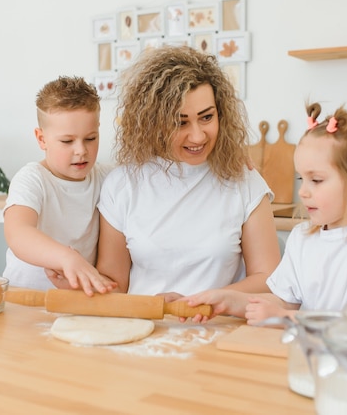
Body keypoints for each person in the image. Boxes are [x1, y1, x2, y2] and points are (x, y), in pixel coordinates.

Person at [184, 104, 347, 327]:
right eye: (302, 179)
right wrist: (229, 301)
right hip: (308, 356)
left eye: (317, 180)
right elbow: (283, 302)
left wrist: (285, 318)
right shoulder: (303, 237)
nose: (302, 191)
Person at [96, 46, 281, 298]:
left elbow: (268, 278)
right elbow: (114, 283)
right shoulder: (123, 184)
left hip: (220, 328)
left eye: (206, 117)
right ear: (153, 123)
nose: (197, 136)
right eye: (180, 123)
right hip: (145, 328)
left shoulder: (243, 180)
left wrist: (200, 302)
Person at [3, 76, 117, 296]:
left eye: (91, 138)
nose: (81, 150)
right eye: (67, 141)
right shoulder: (32, 179)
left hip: (75, 301)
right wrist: (67, 257)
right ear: (41, 139)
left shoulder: (106, 177)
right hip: (24, 301)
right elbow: (18, 233)